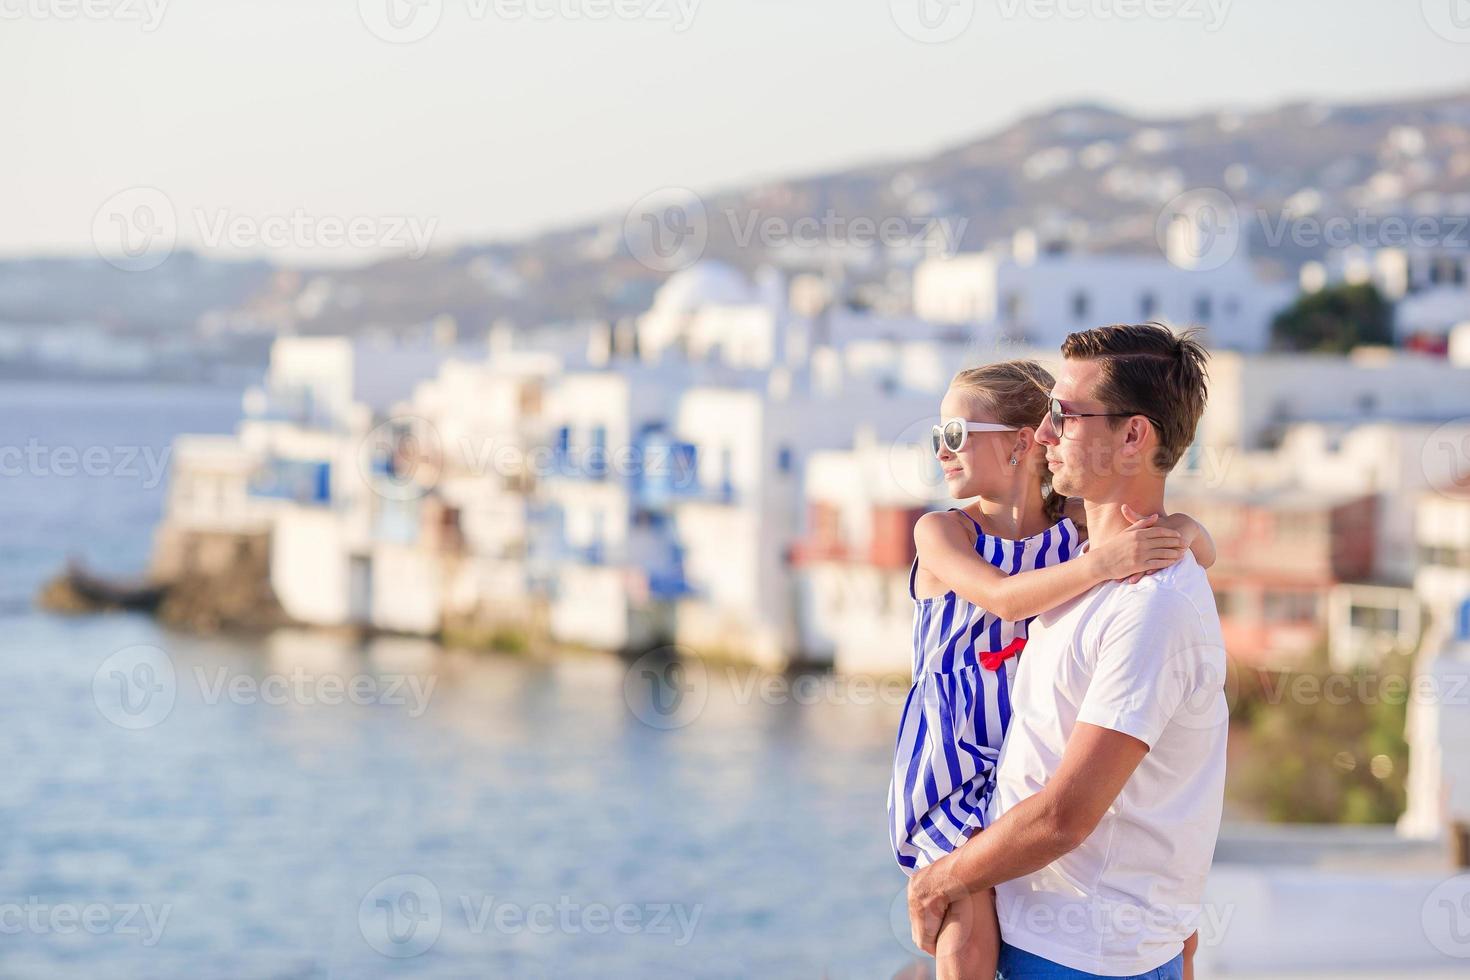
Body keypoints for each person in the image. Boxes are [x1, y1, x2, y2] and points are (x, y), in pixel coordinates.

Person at [906, 324, 1228, 980]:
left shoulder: (1151, 603)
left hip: (1082, 959)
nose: (1047, 433)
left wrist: (939, 881)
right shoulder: (1087, 565)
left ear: (1134, 435)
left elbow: (1064, 816)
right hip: (1044, 936)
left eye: (1064, 414)